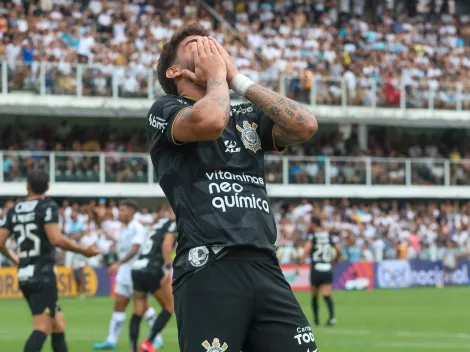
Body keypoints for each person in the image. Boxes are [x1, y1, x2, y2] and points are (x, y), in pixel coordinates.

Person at [147, 23, 319, 352]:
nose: (210, 49)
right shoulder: (167, 109)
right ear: (175, 70)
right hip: (209, 266)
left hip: (265, 265)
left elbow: (305, 125)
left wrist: (238, 80)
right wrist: (215, 78)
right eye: (198, 47)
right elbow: (210, 122)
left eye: (213, 45)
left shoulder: (246, 115)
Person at [0, 170, 102, 352]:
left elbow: (0, 242)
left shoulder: (14, 210)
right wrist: (83, 250)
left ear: (27, 186)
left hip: (24, 274)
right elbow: (56, 239)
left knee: (58, 324)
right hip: (43, 274)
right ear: (47, 187)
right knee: (42, 327)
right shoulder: (47, 207)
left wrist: (14, 257)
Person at [93, 200, 156, 351]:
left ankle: (156, 337)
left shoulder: (137, 227)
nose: (119, 213)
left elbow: (135, 248)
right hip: (124, 272)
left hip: (135, 271)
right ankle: (111, 340)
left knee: (142, 306)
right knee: (119, 304)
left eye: (122, 210)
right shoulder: (124, 228)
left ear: (131, 211)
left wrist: (118, 263)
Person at [129, 207, 177, 352]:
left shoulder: (159, 224)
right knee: (169, 307)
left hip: (137, 267)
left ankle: (133, 348)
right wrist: (168, 267)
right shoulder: (173, 224)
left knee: (138, 311)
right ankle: (148, 343)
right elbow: (166, 244)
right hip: (152, 268)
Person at [299, 218, 342, 327]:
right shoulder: (328, 236)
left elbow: (306, 250)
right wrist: (336, 260)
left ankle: (316, 320)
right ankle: (332, 318)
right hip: (327, 268)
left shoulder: (312, 236)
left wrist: (300, 263)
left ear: (313, 224)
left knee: (314, 295)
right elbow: (339, 250)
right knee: (327, 295)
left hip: (316, 268)